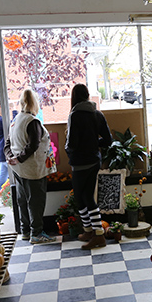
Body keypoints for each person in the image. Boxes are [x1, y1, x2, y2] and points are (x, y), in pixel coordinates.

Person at [5, 88, 55, 244]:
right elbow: (33, 145)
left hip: (18, 169)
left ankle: (25, 231)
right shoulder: (33, 121)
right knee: (36, 201)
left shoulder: (16, 120)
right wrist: (19, 159)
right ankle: (37, 233)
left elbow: (7, 143)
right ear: (35, 103)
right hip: (33, 170)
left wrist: (11, 157)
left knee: (23, 200)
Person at [65, 84, 111, 250]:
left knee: (83, 197)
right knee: (85, 196)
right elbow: (108, 140)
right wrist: (93, 144)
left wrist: (68, 151)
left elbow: (72, 143)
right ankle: (90, 231)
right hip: (94, 160)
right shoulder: (97, 114)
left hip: (80, 162)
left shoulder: (74, 115)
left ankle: (97, 235)